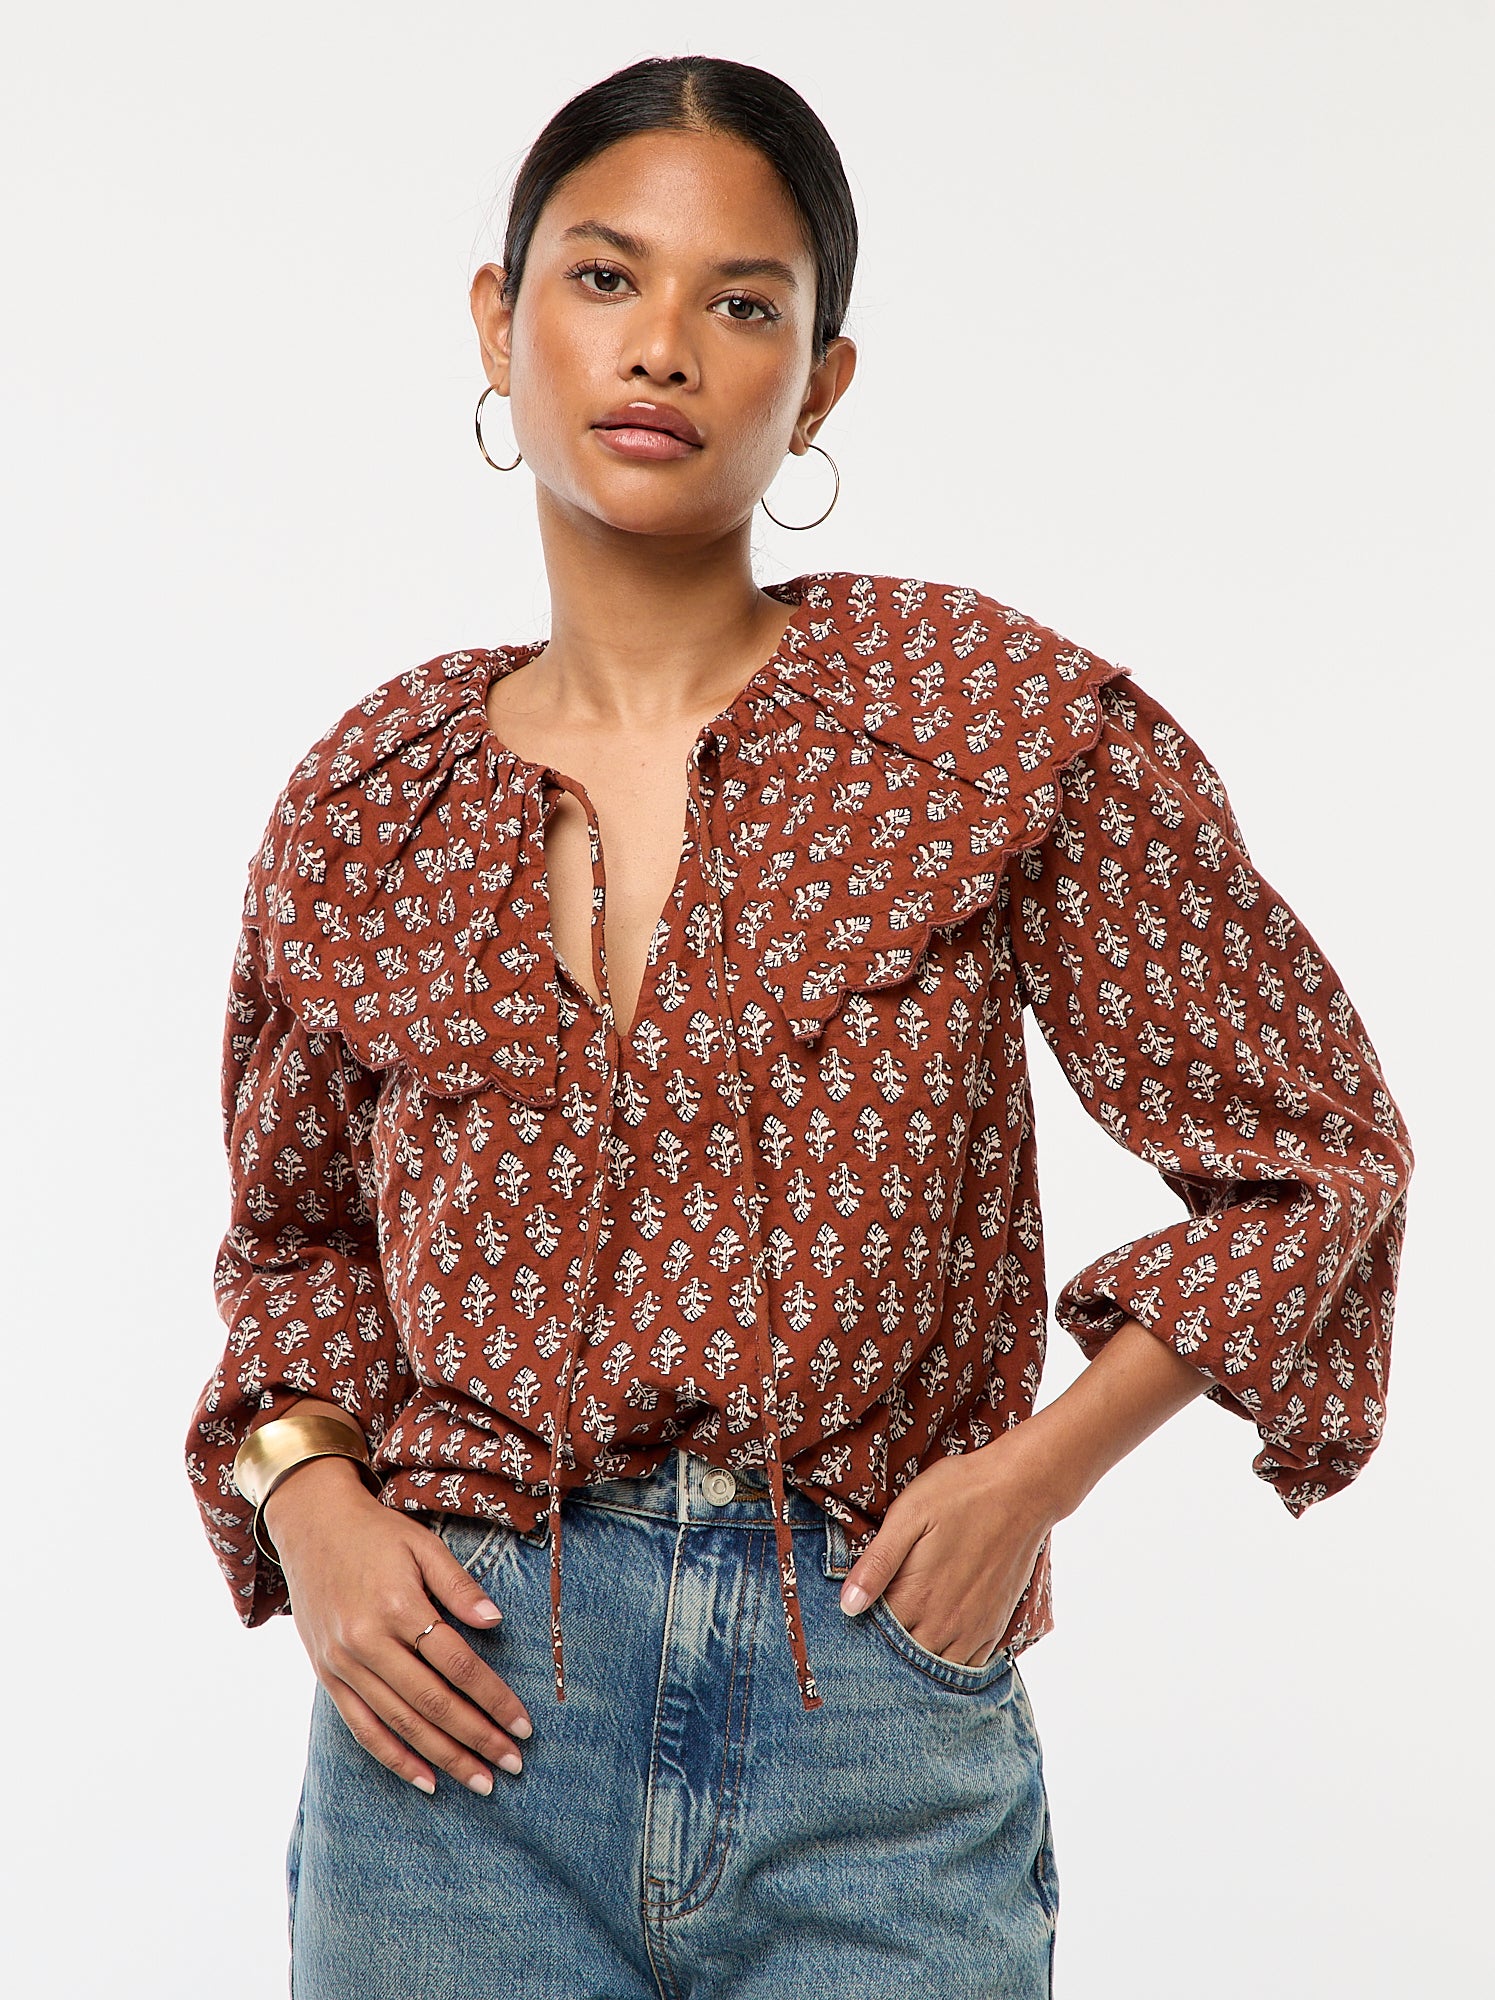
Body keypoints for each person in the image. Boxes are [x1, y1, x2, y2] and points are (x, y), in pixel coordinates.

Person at [185, 54, 1414, 2000]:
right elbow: (295, 1250)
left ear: (820, 380)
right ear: (499, 321)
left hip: (872, 1711)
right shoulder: (370, 800)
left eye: (741, 303)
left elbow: (1313, 1157)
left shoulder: (978, 725)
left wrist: (1030, 1477)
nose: (662, 346)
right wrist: (312, 1506)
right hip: (454, 1738)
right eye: (604, 277)